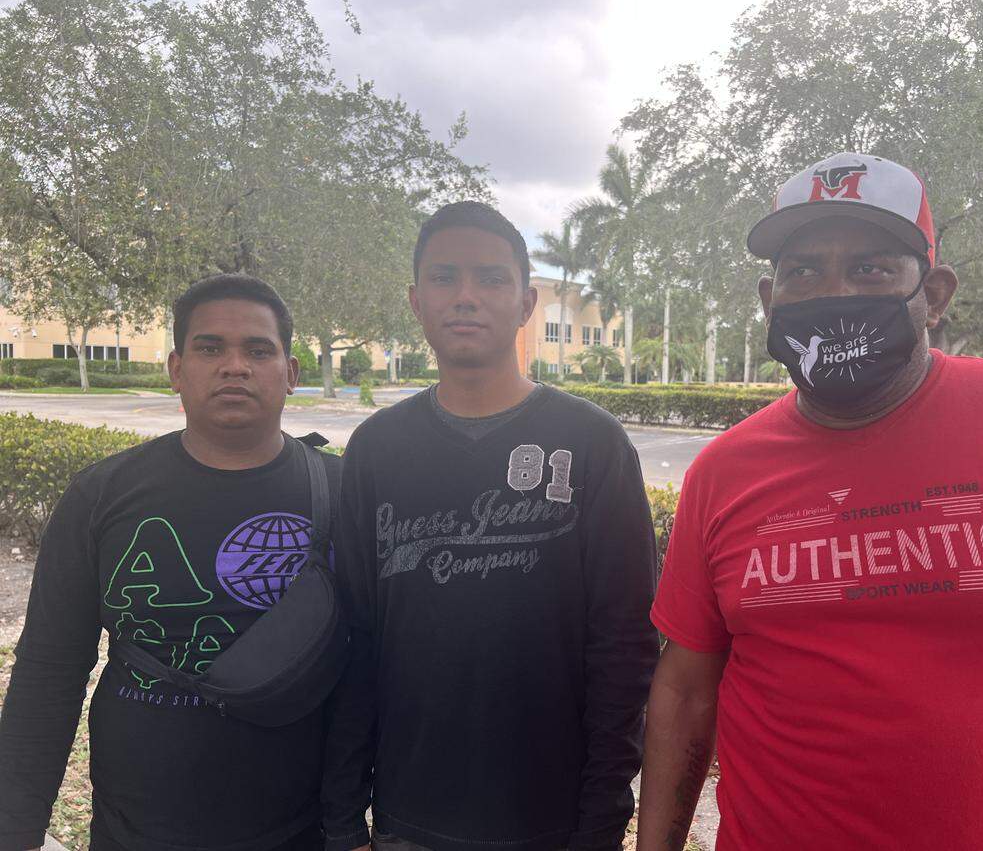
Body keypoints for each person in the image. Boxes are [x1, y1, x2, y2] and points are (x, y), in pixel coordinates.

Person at [636, 152, 983, 851]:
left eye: (871, 269)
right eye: (802, 272)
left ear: (934, 293)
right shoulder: (724, 473)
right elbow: (686, 692)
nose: (832, 292)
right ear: (767, 299)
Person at [322, 201, 659, 851]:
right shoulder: (375, 449)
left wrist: (600, 825)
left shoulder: (593, 444)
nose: (466, 297)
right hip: (406, 819)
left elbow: (624, 650)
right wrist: (342, 822)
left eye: (491, 278)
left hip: (555, 824)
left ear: (527, 301)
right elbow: (354, 639)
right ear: (417, 301)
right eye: (445, 278)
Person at [0, 275, 342, 851]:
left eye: (259, 349)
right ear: (177, 369)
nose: (235, 365)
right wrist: (14, 827)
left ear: (291, 373)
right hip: (139, 827)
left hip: (305, 826)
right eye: (210, 348)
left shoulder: (345, 493)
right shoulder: (102, 495)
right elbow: (50, 669)